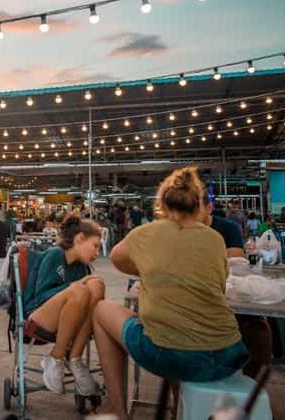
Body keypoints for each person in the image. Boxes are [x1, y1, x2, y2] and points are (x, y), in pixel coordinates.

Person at [92, 167, 248, 419]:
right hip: (227, 353)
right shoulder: (215, 239)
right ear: (199, 205)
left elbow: (116, 259)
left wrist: (150, 268)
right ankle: (181, 408)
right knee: (178, 330)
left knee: (101, 310)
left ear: (161, 204)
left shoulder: (144, 234)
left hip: (170, 355)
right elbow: (221, 283)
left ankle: (116, 407)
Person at [23, 215, 104, 395]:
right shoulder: (55, 254)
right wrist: (76, 286)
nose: (97, 253)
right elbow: (41, 295)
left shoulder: (81, 266)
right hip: (39, 314)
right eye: (95, 246)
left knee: (96, 284)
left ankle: (74, 358)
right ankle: (55, 357)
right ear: (79, 239)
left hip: (68, 319)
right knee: (80, 289)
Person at [201, 194, 272, 381]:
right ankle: (185, 399)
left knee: (258, 329)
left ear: (208, 208)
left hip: (225, 294)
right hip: (193, 300)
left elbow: (236, 263)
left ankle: (246, 384)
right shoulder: (180, 230)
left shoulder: (227, 228)